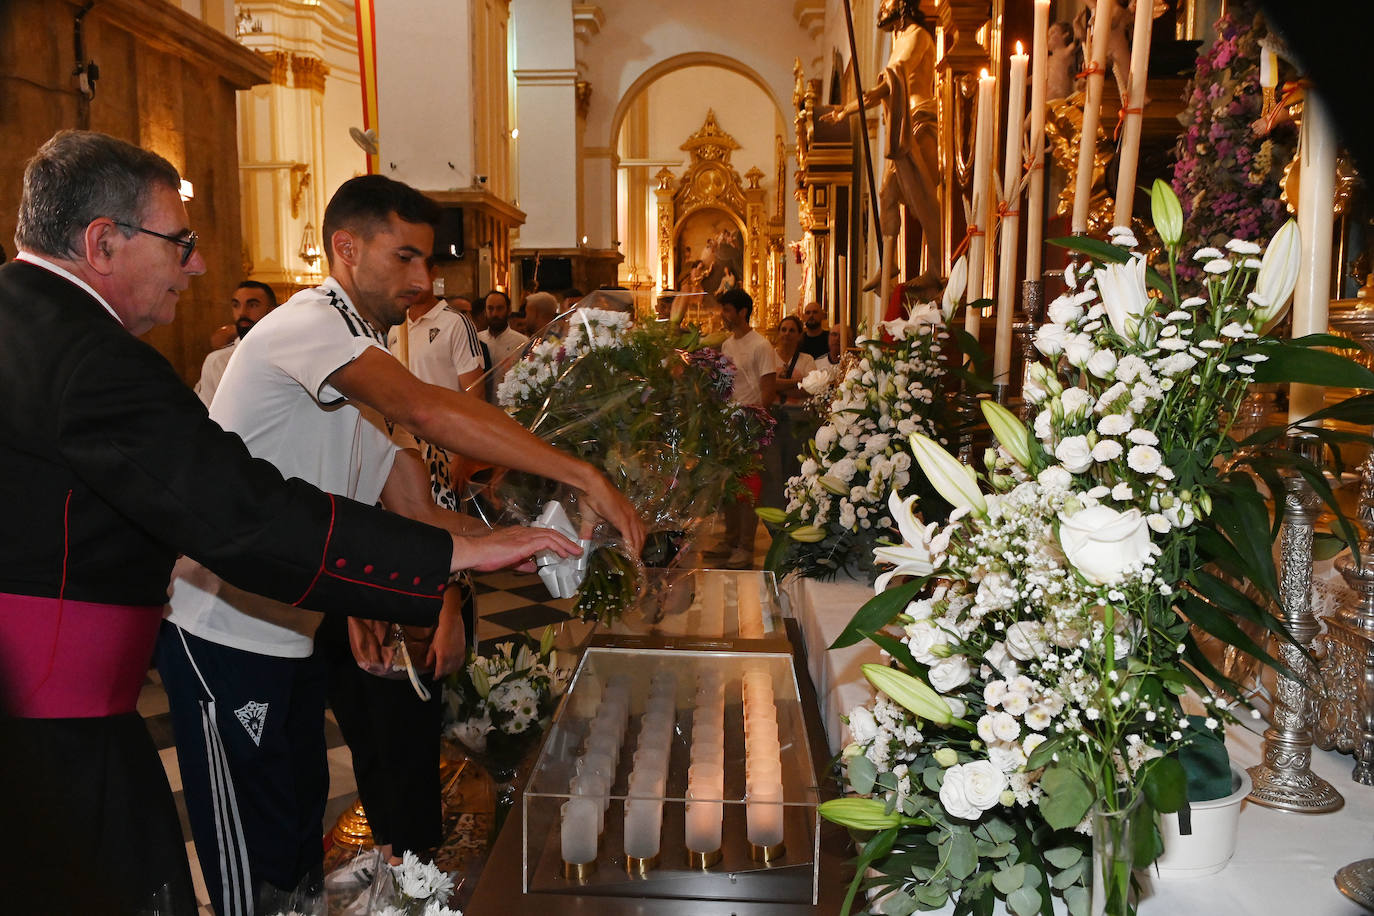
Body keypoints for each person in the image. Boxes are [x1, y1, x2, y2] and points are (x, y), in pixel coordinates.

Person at [0, 129, 570, 915]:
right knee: (206, 880)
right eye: (181, 242)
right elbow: (246, 514)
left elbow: (373, 492)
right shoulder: (94, 358)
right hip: (64, 723)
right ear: (103, 243)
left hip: (115, 696)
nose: (197, 264)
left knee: (282, 835)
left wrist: (474, 554)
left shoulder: (39, 327)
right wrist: (462, 551)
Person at [159, 173, 642, 915]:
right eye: (405, 258)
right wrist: (582, 474)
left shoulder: (344, 374)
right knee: (249, 868)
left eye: (428, 263)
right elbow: (425, 406)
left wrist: (536, 538)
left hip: (290, 636)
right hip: (222, 634)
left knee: (294, 840)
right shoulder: (309, 326)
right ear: (345, 249)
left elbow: (416, 506)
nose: (422, 282)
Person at [823, 0, 941, 271]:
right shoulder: (899, 38)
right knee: (887, 194)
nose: (882, 8)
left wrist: (862, 101)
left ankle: (935, 268)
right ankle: (888, 264)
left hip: (918, 120)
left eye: (887, 2)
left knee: (922, 197)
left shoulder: (917, 36)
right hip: (903, 121)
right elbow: (885, 86)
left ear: (902, 5)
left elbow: (897, 76)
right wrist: (846, 111)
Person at [707, 287, 780, 570]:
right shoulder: (727, 345)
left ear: (742, 312)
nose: (723, 316)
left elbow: (768, 390)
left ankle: (746, 546)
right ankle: (730, 538)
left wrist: (755, 425)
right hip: (727, 423)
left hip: (749, 425)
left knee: (747, 489)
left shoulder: (761, 345)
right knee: (727, 485)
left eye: (727, 310)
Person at [195, 280, 277, 405]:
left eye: (252, 305)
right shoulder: (218, 361)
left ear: (271, 312)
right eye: (236, 305)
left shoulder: (285, 355)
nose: (242, 312)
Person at [478, 289, 528, 397]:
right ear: (485, 311)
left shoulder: (522, 342)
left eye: (499, 308)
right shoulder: (477, 340)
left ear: (509, 310)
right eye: (490, 308)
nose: (495, 314)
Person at [772, 315, 817, 406]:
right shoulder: (768, 356)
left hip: (799, 414)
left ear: (799, 335)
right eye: (783, 330)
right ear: (778, 333)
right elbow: (766, 384)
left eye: (791, 330)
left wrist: (777, 388)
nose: (787, 333)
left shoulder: (807, 360)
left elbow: (810, 388)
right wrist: (800, 381)